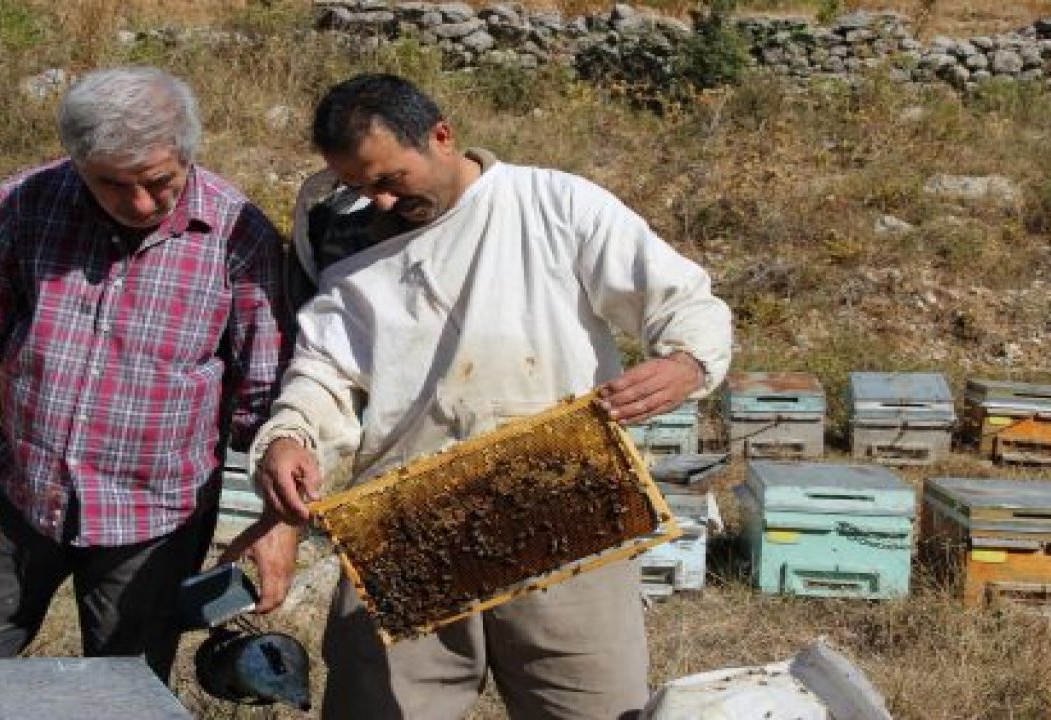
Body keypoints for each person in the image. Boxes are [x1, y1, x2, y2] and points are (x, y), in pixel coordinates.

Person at [236, 73, 733, 719]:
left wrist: (688, 362)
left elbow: (682, 299)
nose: (379, 202)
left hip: (563, 501)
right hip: (406, 520)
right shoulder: (341, 237)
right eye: (361, 187)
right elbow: (325, 372)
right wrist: (290, 438)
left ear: (442, 136)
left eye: (390, 179)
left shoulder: (556, 204)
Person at [0, 66, 298, 681]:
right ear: (76, 162)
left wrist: (278, 523)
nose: (141, 204)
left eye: (159, 182)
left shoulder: (239, 233)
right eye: (112, 185)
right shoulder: (23, 205)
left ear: (186, 152)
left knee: (129, 691)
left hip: (155, 519)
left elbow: (268, 397)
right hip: (17, 498)